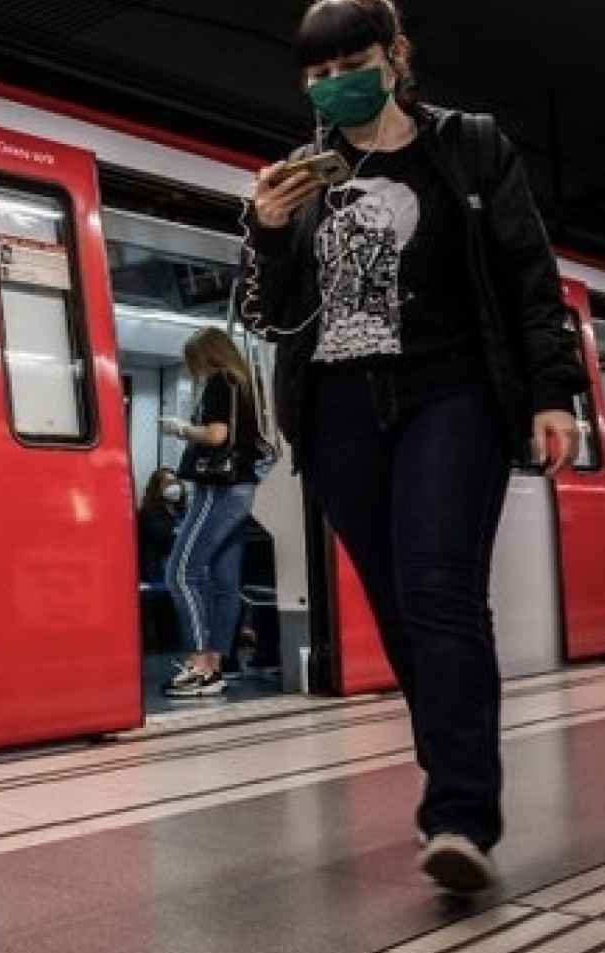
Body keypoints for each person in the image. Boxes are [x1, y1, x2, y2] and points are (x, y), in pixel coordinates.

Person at [245, 0, 587, 892]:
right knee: (400, 608)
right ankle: (454, 781)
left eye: (349, 62)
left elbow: (526, 271)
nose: (332, 84)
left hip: (452, 392)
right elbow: (278, 317)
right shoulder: (304, 177)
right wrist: (271, 233)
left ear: (395, 56)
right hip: (339, 410)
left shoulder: (470, 146)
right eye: (315, 75)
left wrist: (554, 394)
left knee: (440, 588)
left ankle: (461, 814)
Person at [158, 329, 265, 698]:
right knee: (224, 583)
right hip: (242, 490)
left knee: (180, 572)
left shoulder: (221, 382)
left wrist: (182, 429)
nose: (195, 370)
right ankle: (217, 665)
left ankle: (200, 663)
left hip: (217, 489)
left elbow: (217, 436)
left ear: (207, 356)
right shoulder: (246, 387)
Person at [136, 467, 185, 583]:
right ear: (157, 487)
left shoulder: (181, 510)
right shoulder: (149, 512)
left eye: (176, 482)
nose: (174, 487)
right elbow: (163, 539)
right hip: (159, 566)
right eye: (168, 483)